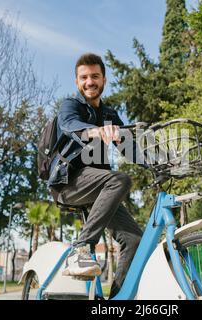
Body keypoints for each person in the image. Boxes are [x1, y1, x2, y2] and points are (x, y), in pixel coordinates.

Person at [49, 53, 144, 299]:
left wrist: (163, 160)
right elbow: (70, 126)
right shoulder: (71, 106)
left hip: (98, 188)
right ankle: (81, 248)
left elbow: (130, 148)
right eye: (84, 77)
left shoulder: (110, 114)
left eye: (95, 76)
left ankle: (116, 302)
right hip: (68, 182)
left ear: (104, 79)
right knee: (119, 179)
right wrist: (97, 131)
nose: (89, 81)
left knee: (135, 241)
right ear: (77, 82)